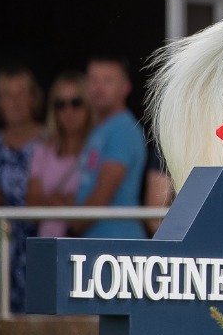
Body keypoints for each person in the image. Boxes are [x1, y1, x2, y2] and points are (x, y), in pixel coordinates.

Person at [73, 57, 148, 239]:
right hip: (101, 242)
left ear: (125, 87)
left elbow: (102, 196)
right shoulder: (100, 128)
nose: (99, 88)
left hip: (116, 243)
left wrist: (71, 226)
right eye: (93, 80)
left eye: (107, 81)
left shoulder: (122, 129)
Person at [0, 66, 44, 310]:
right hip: (3, 242)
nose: (14, 102)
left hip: (42, 238)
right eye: (6, 94)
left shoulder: (52, 139)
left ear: (34, 98)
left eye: (21, 93)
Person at [28, 71, 90, 241]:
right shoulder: (42, 150)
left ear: (89, 105)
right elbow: (31, 205)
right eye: (60, 104)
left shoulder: (97, 149)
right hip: (46, 242)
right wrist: (59, 203)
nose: (68, 110)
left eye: (75, 103)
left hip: (83, 246)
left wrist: (59, 203)